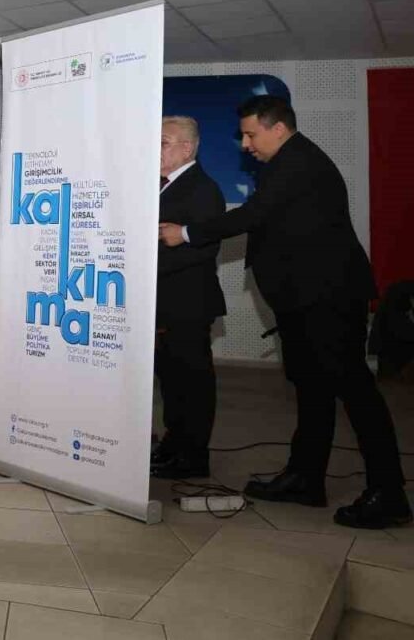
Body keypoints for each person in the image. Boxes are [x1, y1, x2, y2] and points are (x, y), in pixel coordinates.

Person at [160, 95, 409, 529]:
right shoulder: (285, 163)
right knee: (312, 389)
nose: (245, 144)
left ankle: (388, 493)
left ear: (278, 129)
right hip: (302, 299)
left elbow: (254, 215)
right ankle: (305, 478)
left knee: (355, 392)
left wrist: (186, 232)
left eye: (250, 134)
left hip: (328, 298)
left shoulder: (300, 161)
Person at [152, 116, 226, 480]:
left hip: (188, 303)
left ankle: (193, 456)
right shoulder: (159, 185)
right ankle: (173, 443)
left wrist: (147, 262)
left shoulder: (203, 190)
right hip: (163, 304)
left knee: (192, 382)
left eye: (163, 143)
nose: (156, 149)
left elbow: (205, 248)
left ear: (187, 148)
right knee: (170, 379)